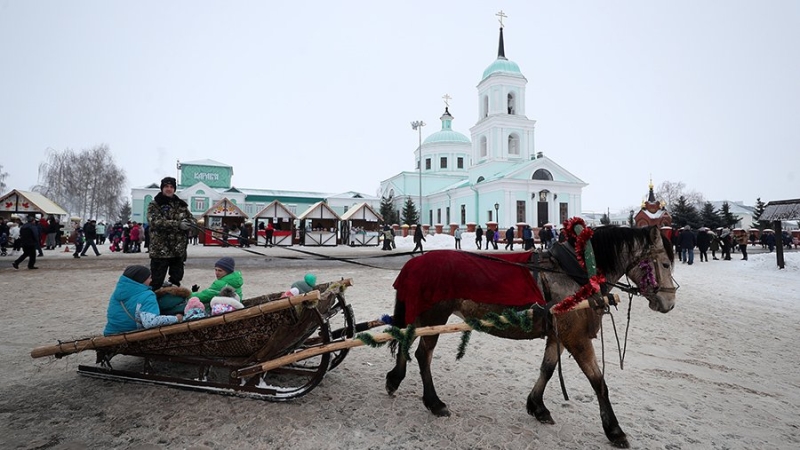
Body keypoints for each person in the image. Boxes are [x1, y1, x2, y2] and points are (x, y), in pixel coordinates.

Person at [147, 176, 197, 290]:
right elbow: (155, 222)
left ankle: (172, 305)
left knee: (175, 283)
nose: (169, 189)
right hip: (161, 251)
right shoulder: (154, 204)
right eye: (166, 186)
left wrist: (189, 224)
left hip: (178, 251)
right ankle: (153, 305)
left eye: (171, 187)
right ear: (162, 188)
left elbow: (192, 219)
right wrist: (178, 224)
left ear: (174, 189)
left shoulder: (181, 205)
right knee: (156, 283)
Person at [104, 265, 181, 335]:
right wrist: (176, 318)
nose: (151, 280)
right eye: (149, 277)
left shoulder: (117, 294)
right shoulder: (147, 295)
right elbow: (150, 322)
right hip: (132, 334)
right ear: (142, 279)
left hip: (111, 332)